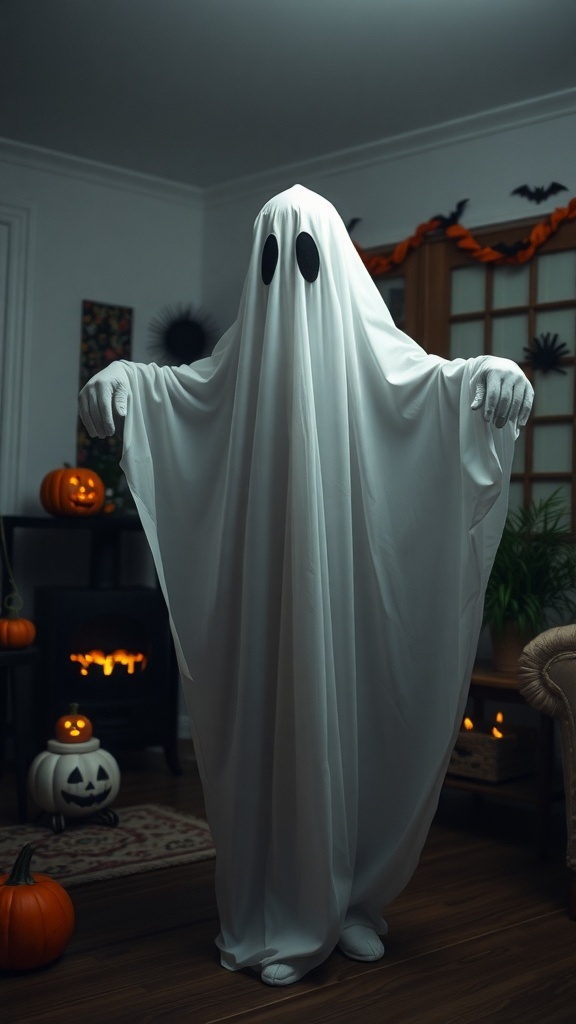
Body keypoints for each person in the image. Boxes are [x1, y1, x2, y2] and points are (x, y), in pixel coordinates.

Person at [79, 185, 533, 986]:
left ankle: (355, 899)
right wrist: (121, 378)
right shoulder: (236, 373)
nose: (290, 280)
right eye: (270, 258)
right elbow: (177, 392)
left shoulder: (377, 359)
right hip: (265, 598)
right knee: (270, 729)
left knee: (357, 722)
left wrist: (491, 377)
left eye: (309, 257)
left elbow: (435, 386)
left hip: (352, 588)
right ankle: (276, 904)